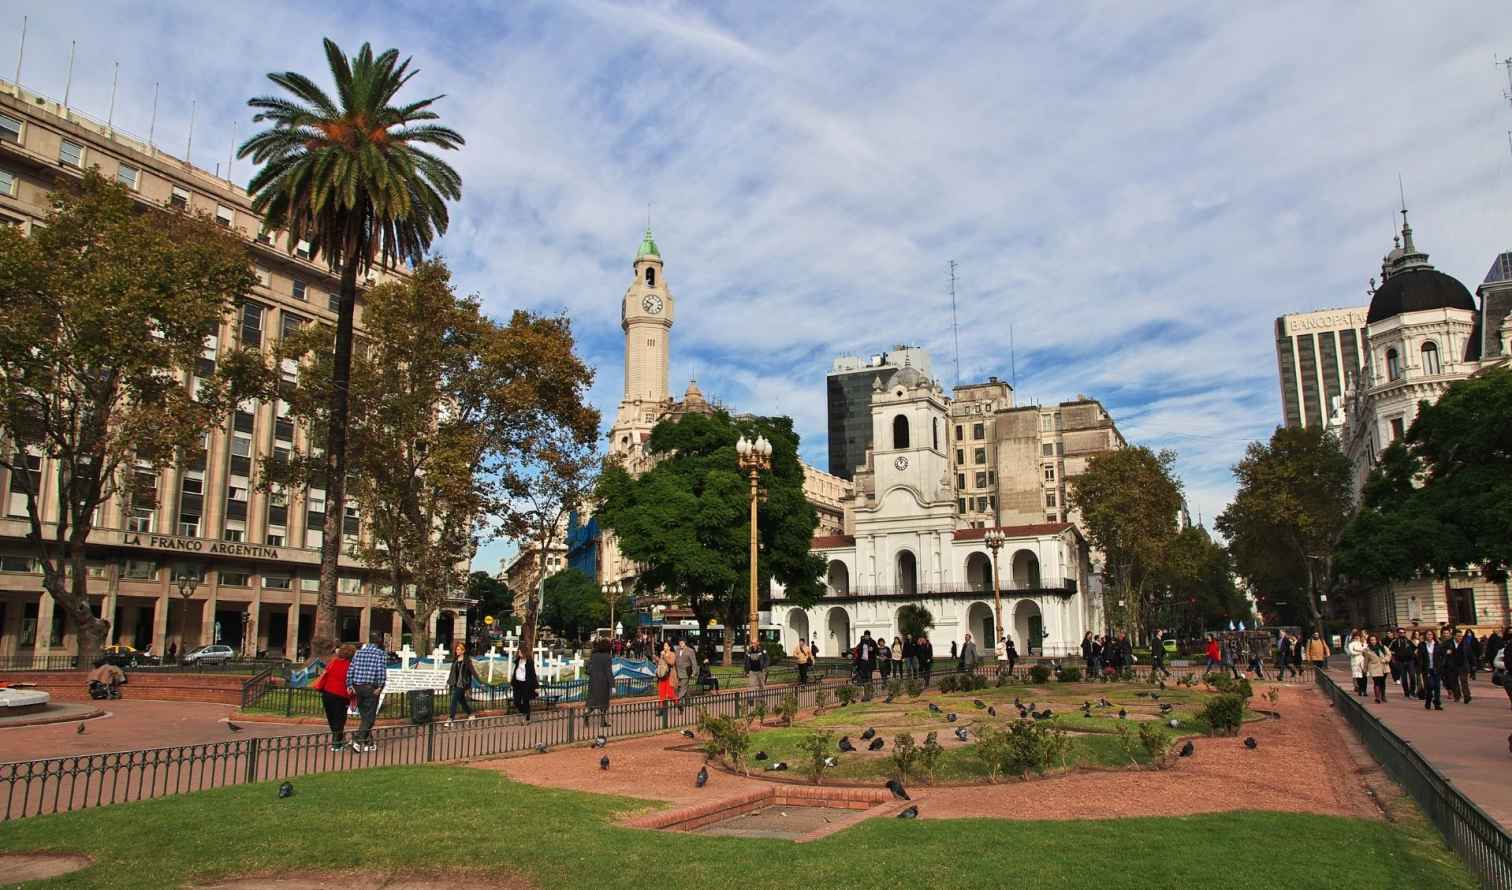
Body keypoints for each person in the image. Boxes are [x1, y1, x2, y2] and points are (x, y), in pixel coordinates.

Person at [346, 632, 388, 753]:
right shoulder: (380, 654)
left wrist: (349, 684)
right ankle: (358, 740)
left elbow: (351, 669)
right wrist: (380, 686)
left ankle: (368, 742)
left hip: (357, 686)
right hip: (371, 687)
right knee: (369, 718)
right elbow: (381, 671)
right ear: (379, 641)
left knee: (365, 716)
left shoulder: (358, 653)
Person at [314, 644, 355, 750]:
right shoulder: (350, 665)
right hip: (341, 694)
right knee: (340, 719)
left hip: (327, 692)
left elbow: (326, 674)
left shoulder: (333, 662)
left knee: (331, 718)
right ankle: (337, 742)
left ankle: (337, 739)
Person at [444, 641, 478, 725]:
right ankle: (470, 714)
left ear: (463, 651)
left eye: (459, 650)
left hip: (463, 684)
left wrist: (480, 681)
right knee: (462, 701)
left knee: (454, 701)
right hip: (456, 684)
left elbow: (473, 671)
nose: (457, 651)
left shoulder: (467, 660)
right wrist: (449, 681)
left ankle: (450, 719)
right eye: (457, 649)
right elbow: (453, 672)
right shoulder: (455, 660)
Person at [1416, 629, 1446, 711]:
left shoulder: (1437, 644)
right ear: (1425, 636)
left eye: (1431, 634)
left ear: (1433, 636)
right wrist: (1419, 670)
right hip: (1427, 669)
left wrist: (1441, 665)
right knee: (1430, 686)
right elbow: (1419, 658)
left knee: (1437, 687)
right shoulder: (1421, 645)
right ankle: (1428, 701)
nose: (1429, 636)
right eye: (1428, 634)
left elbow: (1443, 656)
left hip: (1436, 669)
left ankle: (1437, 703)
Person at [585, 638, 612, 727]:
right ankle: (602, 721)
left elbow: (588, 668)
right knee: (603, 703)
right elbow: (609, 672)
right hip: (603, 683)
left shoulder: (594, 655)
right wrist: (613, 685)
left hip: (593, 681)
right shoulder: (607, 657)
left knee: (592, 701)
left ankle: (587, 714)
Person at [511, 644, 540, 722]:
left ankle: (527, 717)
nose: (519, 653)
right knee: (516, 701)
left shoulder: (529, 662)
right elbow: (515, 671)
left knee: (525, 701)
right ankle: (524, 711)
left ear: (524, 652)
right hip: (517, 684)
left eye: (520, 652)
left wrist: (536, 687)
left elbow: (533, 674)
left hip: (525, 684)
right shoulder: (518, 660)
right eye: (518, 651)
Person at [1444, 629, 1471, 704]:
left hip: (1463, 665)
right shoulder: (1448, 643)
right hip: (1452, 666)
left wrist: (1473, 666)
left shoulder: (1465, 643)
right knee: (1454, 682)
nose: (1460, 638)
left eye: (1461, 636)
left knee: (1464, 681)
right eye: (1458, 636)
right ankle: (1457, 696)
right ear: (1454, 636)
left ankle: (1467, 696)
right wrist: (1446, 653)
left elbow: (1470, 655)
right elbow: (1442, 652)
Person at [1389, 628, 1418, 699]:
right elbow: (1389, 649)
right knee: (1404, 678)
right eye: (1400, 632)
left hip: (1410, 661)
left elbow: (1416, 648)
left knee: (1412, 677)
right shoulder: (1394, 641)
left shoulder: (1408, 641)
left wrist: (1413, 655)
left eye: (1403, 632)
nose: (1402, 634)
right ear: (1398, 633)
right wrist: (1394, 656)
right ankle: (1406, 693)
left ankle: (1412, 692)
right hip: (1400, 662)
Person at [1362, 634, 1390, 704]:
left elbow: (1389, 654)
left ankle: (1383, 696)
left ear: (1377, 640)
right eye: (1371, 640)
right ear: (1369, 641)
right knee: (1376, 682)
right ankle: (1377, 697)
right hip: (1374, 667)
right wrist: (1365, 670)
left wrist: (1386, 659)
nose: (1373, 641)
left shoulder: (1383, 647)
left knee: (1382, 682)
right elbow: (1366, 660)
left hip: (1384, 667)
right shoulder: (1367, 650)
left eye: (1374, 640)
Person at [1346, 630, 1367, 696]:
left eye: (1358, 636)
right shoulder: (1351, 644)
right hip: (1355, 662)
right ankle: (1360, 689)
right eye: (1356, 636)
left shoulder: (1363, 643)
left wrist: (1359, 650)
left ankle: (1364, 690)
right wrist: (1360, 652)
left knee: (1364, 676)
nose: (1357, 637)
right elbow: (1352, 652)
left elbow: (1366, 649)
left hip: (1363, 661)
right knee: (1358, 677)